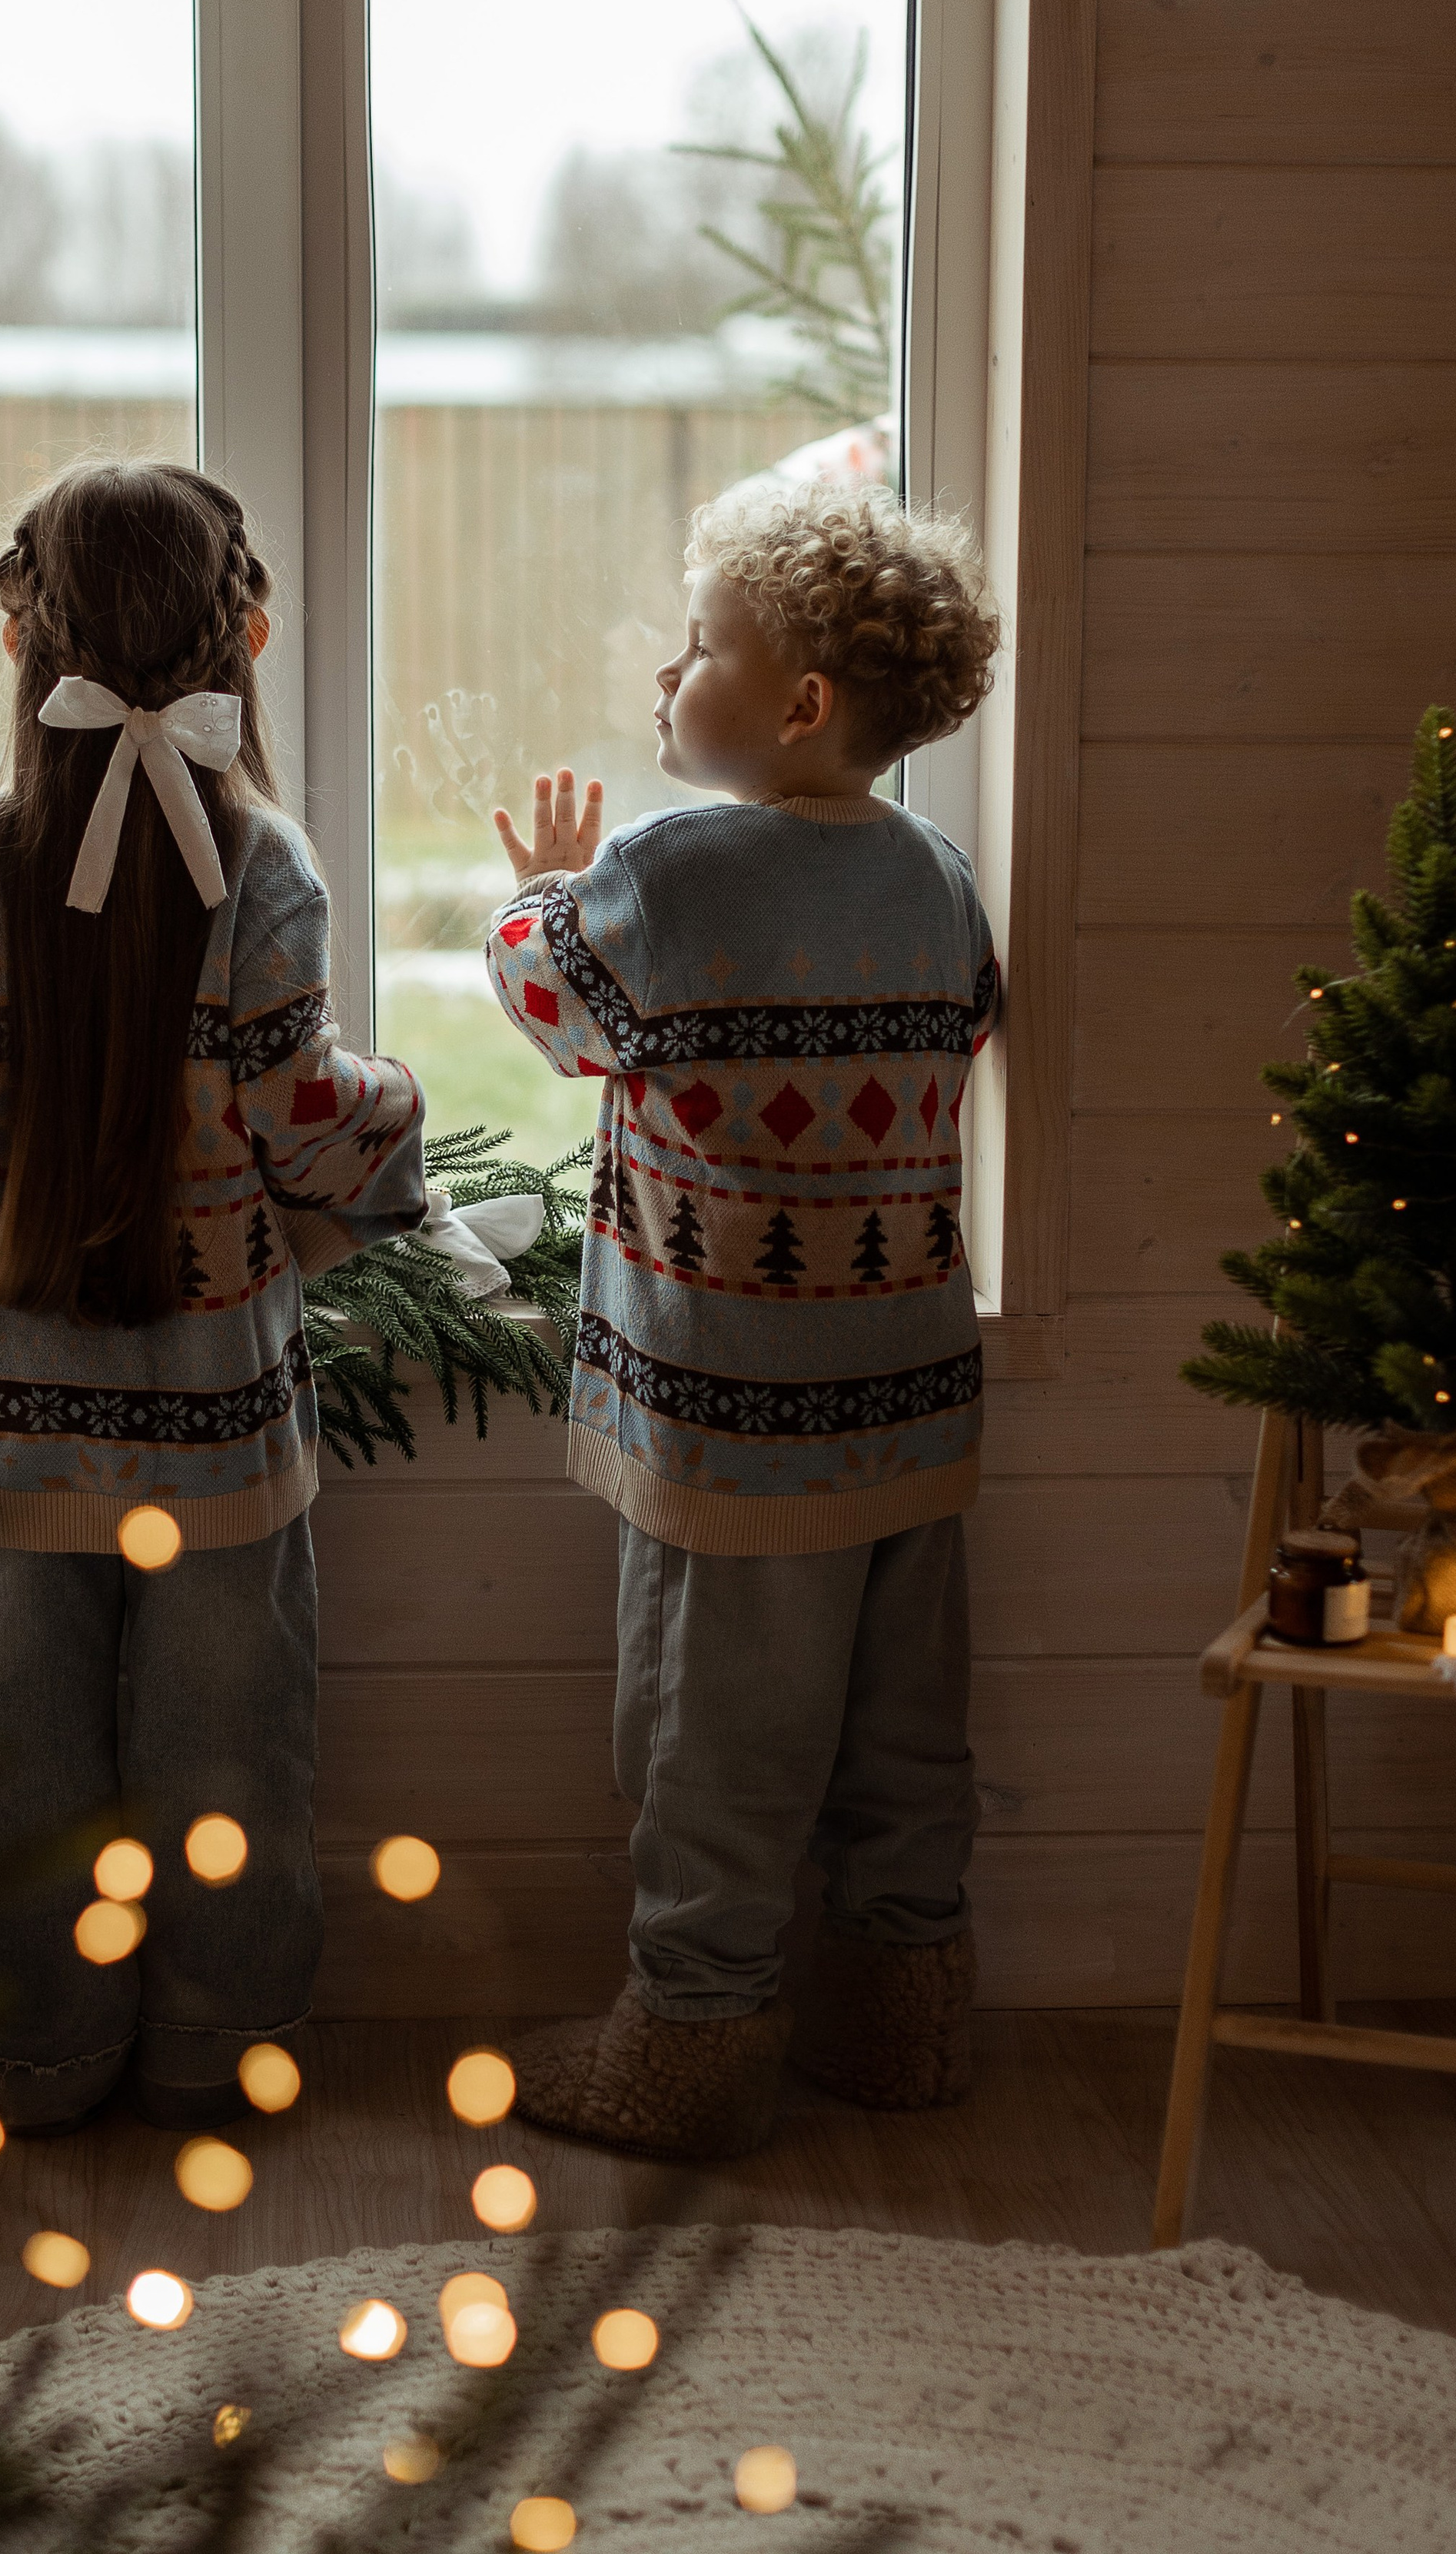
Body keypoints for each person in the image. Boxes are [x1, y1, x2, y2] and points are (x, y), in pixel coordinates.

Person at [0, 462, 424, 2133]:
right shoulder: (264, 860)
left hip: (9, 1418)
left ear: (23, 640)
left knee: (12, 1764)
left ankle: (28, 2058)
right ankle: (216, 2053)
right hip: (215, 1428)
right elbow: (302, 1125)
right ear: (244, 635)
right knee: (227, 1760)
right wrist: (393, 1117)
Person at [485, 479, 999, 2159]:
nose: (663, 673)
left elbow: (559, 1011)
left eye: (697, 644)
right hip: (912, 1391)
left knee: (707, 1733)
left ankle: (689, 2040)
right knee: (903, 1732)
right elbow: (964, 1028)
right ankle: (899, 2016)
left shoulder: (672, 869)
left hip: (733, 1406)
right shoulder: (932, 871)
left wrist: (543, 886)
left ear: (795, 703)